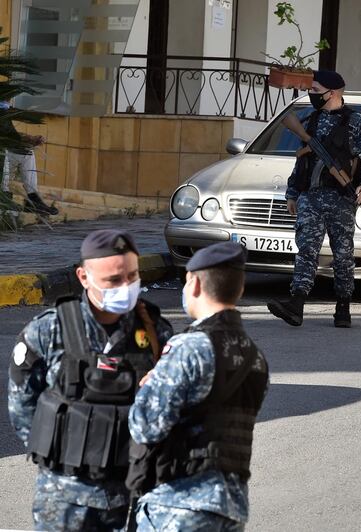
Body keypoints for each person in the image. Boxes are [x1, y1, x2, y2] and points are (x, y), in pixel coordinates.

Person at [6, 229, 172, 531]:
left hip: (132, 494)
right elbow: (22, 403)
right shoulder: (50, 330)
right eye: (113, 280)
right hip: (65, 498)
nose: (126, 287)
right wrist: (59, 451)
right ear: (83, 277)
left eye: (132, 277)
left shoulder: (154, 331)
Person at [127, 242, 269, 531]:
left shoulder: (189, 348)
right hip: (230, 507)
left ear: (193, 284)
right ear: (239, 291)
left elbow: (145, 426)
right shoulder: (255, 357)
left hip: (179, 505)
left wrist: (147, 387)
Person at [267, 70, 361, 328]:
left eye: (316, 91)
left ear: (333, 93)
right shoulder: (310, 120)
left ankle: (343, 306)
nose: (312, 95)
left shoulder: (355, 122)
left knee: (342, 254)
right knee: (306, 249)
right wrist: (293, 193)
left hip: (340, 198)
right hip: (311, 196)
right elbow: (302, 162)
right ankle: (296, 304)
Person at [0, 100, 59, 215]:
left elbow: (11, 135)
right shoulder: (2, 112)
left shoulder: (5, 113)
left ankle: (33, 200)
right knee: (4, 152)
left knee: (26, 153)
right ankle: (4, 197)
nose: (9, 102)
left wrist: (31, 139)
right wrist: (30, 139)